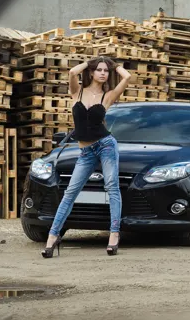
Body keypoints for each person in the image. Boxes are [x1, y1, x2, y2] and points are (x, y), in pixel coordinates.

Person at [42, 56, 131, 258]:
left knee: (112, 186)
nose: (102, 73)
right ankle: (53, 237)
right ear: (91, 72)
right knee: (70, 192)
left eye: (105, 71)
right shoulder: (77, 92)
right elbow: (73, 72)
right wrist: (91, 61)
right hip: (86, 152)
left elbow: (127, 77)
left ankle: (114, 235)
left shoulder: (107, 96)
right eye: (98, 70)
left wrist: (112, 64)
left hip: (106, 145)